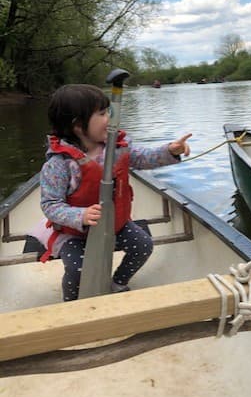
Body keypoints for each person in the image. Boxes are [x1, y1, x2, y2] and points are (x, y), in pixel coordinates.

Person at [33, 83, 192, 301]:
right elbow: (50, 204)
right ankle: (70, 305)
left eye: (108, 111)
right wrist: (80, 216)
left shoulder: (118, 146)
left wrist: (169, 151)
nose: (109, 118)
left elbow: (143, 158)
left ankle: (118, 282)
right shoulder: (59, 164)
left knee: (143, 245)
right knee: (77, 269)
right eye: (102, 113)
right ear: (78, 125)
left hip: (115, 224)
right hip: (75, 234)